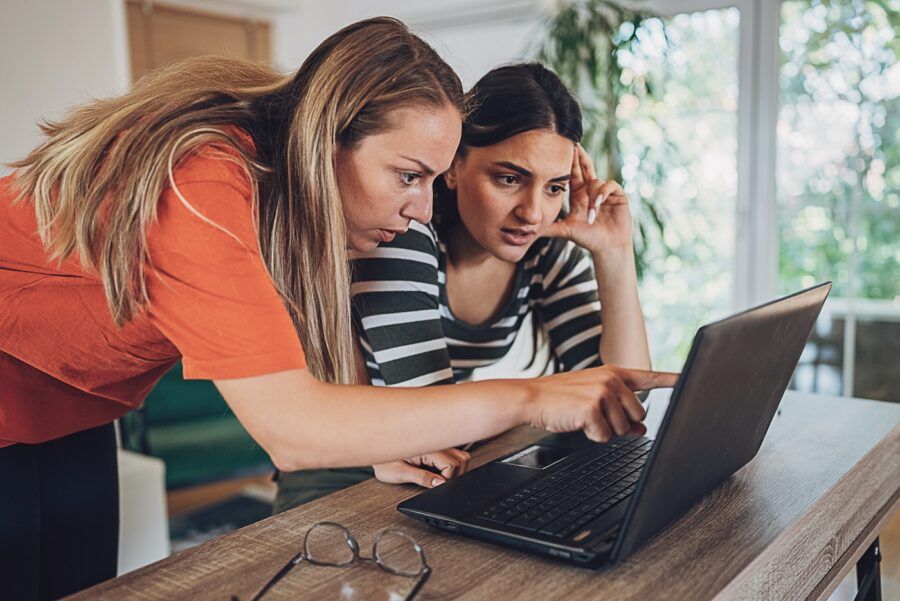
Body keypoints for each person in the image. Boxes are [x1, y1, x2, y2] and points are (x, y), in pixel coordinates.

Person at [0, 17, 675, 599]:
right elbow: (292, 429)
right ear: (328, 140)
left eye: (432, 182)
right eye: (408, 175)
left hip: (72, 404)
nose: (422, 209)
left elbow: (298, 383)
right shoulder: (204, 180)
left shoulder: (286, 198)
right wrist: (533, 396)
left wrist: (380, 447)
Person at [275, 63, 654, 512]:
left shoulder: (543, 251)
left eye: (554, 188)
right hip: (344, 471)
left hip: (445, 459)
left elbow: (625, 400)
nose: (532, 212)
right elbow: (427, 416)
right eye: (509, 179)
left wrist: (614, 252)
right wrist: (530, 403)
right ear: (453, 167)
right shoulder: (404, 236)